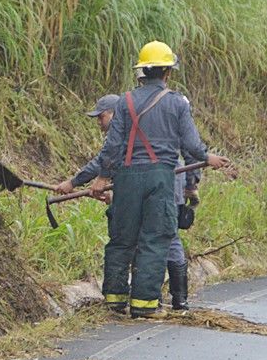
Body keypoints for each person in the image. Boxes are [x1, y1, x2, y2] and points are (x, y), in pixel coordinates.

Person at [88, 41, 230, 319]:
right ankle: (144, 305)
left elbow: (112, 146)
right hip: (160, 180)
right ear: (167, 73)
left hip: (127, 179)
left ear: (142, 72)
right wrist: (206, 157)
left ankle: (115, 300)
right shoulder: (177, 102)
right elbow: (191, 144)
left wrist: (103, 177)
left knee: (121, 239)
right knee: (155, 240)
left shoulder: (125, 101)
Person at [56, 93, 202, 311]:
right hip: (164, 182)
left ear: (115, 113)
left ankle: (157, 299)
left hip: (159, 183)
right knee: (163, 238)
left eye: (101, 116)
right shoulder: (161, 120)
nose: (98, 122)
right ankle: (168, 299)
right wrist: (191, 185)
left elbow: (105, 160)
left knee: (156, 238)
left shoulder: (127, 126)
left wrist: (74, 182)